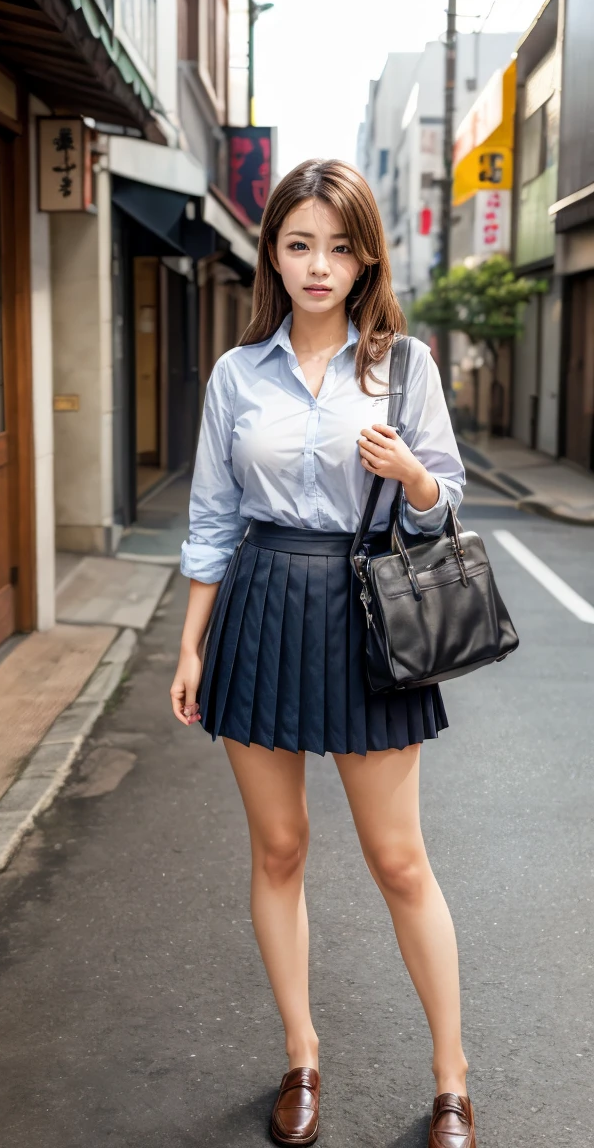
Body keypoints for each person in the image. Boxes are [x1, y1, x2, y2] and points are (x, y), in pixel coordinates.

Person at [171, 159, 475, 1148]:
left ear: (365, 257)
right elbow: (214, 517)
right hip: (259, 607)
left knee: (398, 859)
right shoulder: (234, 373)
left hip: (367, 611)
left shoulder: (403, 365)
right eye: (299, 243)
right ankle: (302, 1055)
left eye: (339, 247)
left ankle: (452, 1078)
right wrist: (189, 647)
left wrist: (412, 478)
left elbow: (447, 502)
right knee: (281, 849)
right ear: (273, 253)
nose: (318, 264)